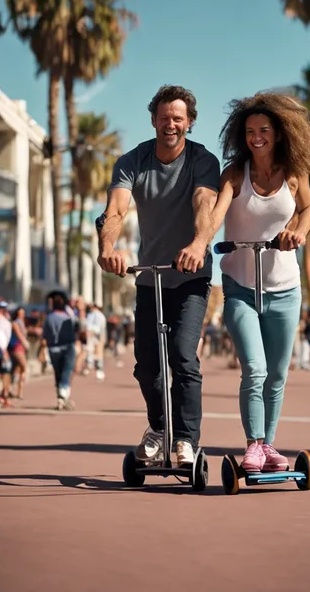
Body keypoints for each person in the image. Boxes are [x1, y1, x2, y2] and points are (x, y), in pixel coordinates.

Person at [96, 85, 220, 468]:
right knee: (146, 365)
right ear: (153, 120)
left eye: (178, 119)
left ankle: (184, 440)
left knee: (183, 357)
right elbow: (116, 208)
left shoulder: (203, 160)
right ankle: (157, 428)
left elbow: (204, 203)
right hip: (150, 277)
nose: (171, 125)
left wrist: (199, 244)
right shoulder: (132, 161)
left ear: (190, 123)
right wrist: (107, 248)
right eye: (164, 118)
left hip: (191, 277)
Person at [211, 92, 310, 472]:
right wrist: (199, 241)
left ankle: (269, 444)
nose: (256, 136)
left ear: (278, 133)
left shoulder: (294, 172)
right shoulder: (234, 173)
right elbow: (217, 212)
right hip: (240, 287)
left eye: (264, 130)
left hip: (286, 290)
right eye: (250, 131)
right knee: (254, 369)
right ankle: (254, 444)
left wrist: (298, 231)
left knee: (276, 374)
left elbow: (308, 210)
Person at [42, 291, 78, 410]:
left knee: (58, 373)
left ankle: (60, 399)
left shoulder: (49, 318)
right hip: (67, 347)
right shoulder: (68, 317)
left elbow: (45, 335)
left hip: (53, 348)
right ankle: (63, 395)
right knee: (66, 372)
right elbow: (76, 328)